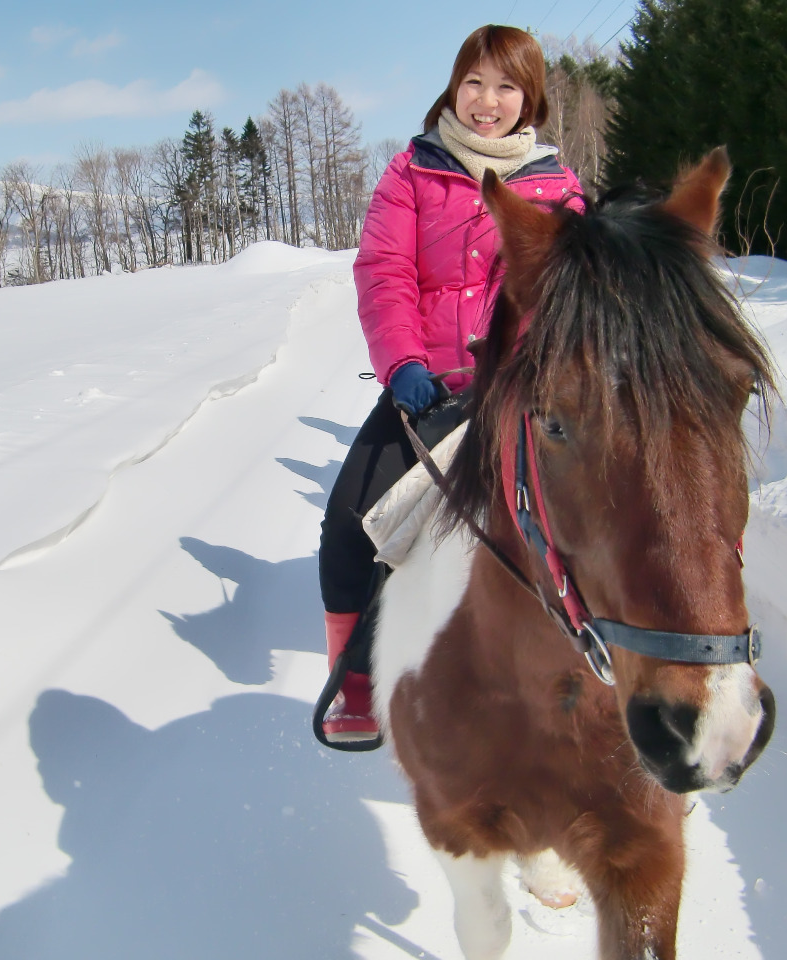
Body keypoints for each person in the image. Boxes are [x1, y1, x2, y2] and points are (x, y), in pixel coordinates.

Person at [315, 25, 585, 747]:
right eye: (474, 81)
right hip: (425, 390)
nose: (486, 101)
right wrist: (403, 364)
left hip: (522, 393)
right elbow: (384, 271)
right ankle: (359, 679)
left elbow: (569, 293)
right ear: (453, 86)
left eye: (506, 86)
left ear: (530, 100)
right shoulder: (411, 171)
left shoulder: (559, 188)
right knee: (347, 525)